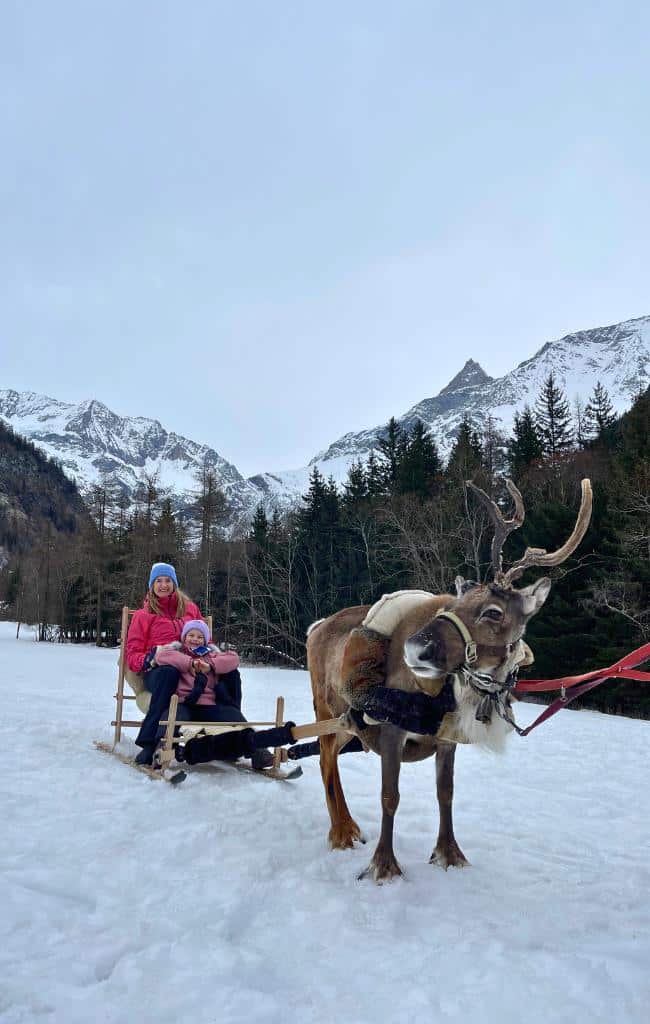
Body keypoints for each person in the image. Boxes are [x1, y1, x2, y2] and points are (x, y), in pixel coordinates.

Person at [153, 619, 276, 769]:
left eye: (200, 637)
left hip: (209, 704)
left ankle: (258, 751)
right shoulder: (177, 652)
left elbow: (234, 659)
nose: (195, 639)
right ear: (184, 637)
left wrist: (210, 666)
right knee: (171, 717)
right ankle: (160, 749)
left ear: (205, 640)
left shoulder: (211, 655)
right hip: (185, 703)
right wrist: (190, 663)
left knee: (234, 717)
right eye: (191, 635)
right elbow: (161, 656)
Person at [126, 562, 204, 764]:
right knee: (169, 673)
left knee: (230, 675)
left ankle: (233, 733)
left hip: (190, 669)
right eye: (158, 581)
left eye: (168, 580)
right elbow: (132, 655)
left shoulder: (191, 609)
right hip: (158, 671)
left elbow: (207, 640)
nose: (163, 585)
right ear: (151, 585)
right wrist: (150, 658)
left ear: (174, 583)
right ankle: (149, 742)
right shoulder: (144, 616)